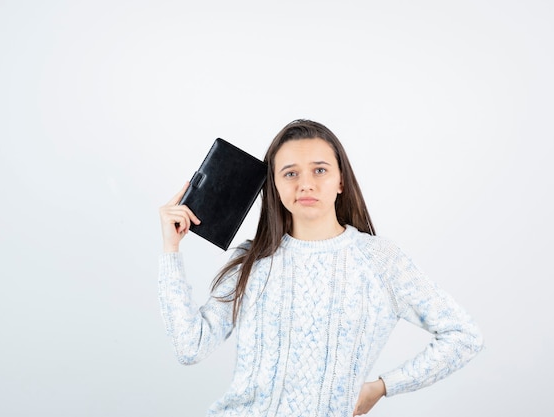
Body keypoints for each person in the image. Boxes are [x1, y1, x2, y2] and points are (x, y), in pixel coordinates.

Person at [158, 119, 484, 416]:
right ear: (273, 184)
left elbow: (463, 335)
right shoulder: (251, 259)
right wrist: (171, 250)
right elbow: (191, 347)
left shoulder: (380, 260)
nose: (305, 184)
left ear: (341, 180)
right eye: (290, 173)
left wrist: (382, 387)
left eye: (320, 170)